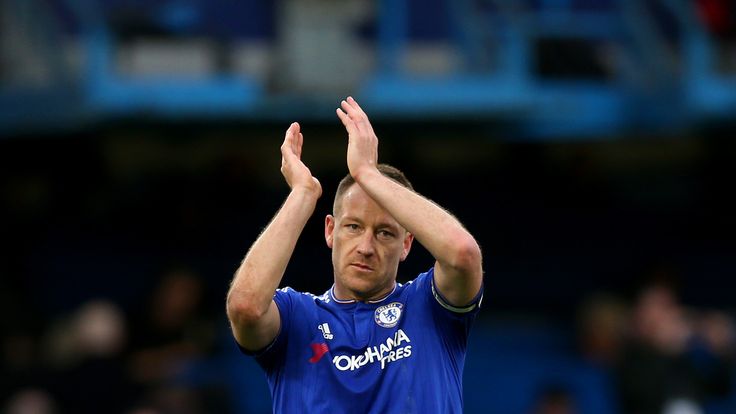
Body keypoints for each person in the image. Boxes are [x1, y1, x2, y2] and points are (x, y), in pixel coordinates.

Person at [226, 97, 484, 413]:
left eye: (385, 233)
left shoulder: (429, 308)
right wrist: (302, 195)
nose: (365, 246)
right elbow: (245, 307)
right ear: (330, 231)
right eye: (353, 227)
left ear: (406, 244)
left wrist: (367, 173)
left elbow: (463, 254)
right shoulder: (296, 316)